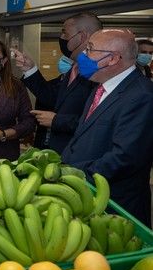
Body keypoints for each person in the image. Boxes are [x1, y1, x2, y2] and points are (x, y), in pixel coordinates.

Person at [62, 29, 153, 226]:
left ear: (112, 59)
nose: (82, 55)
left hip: (115, 209)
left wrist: (71, 174)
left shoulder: (141, 96)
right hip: (87, 198)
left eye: (90, 49)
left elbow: (124, 157)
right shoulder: (101, 86)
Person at [13, 13, 101, 152]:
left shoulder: (98, 72)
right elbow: (54, 98)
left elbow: (97, 122)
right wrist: (30, 69)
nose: (61, 38)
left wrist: (56, 121)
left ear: (82, 36)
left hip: (81, 153)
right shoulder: (75, 67)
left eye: (65, 33)